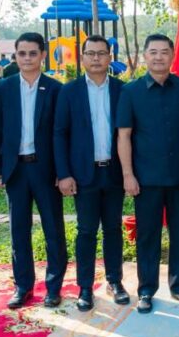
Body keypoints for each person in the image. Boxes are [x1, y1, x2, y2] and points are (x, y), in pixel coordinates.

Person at [118, 34, 179, 314]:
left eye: (164, 52)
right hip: (145, 179)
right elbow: (124, 136)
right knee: (148, 236)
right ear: (145, 56)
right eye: (153, 52)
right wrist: (128, 174)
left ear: (172, 55)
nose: (159, 57)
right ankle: (146, 289)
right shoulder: (130, 92)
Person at [0, 33, 66, 310]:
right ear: (16, 56)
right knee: (18, 230)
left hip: (46, 170)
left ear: (43, 55)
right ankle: (22, 287)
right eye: (22, 53)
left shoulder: (55, 89)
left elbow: (61, 133)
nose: (27, 58)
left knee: (53, 229)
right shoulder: (5, 87)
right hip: (16, 170)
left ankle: (53, 287)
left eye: (33, 53)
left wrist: (62, 171)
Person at [55, 35, 130, 311]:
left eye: (101, 53)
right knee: (86, 230)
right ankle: (85, 287)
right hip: (83, 174)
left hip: (113, 172)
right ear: (83, 57)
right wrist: (64, 173)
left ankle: (115, 281)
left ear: (110, 57)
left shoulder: (122, 90)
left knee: (113, 228)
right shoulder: (70, 91)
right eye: (91, 53)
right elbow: (60, 134)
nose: (96, 58)